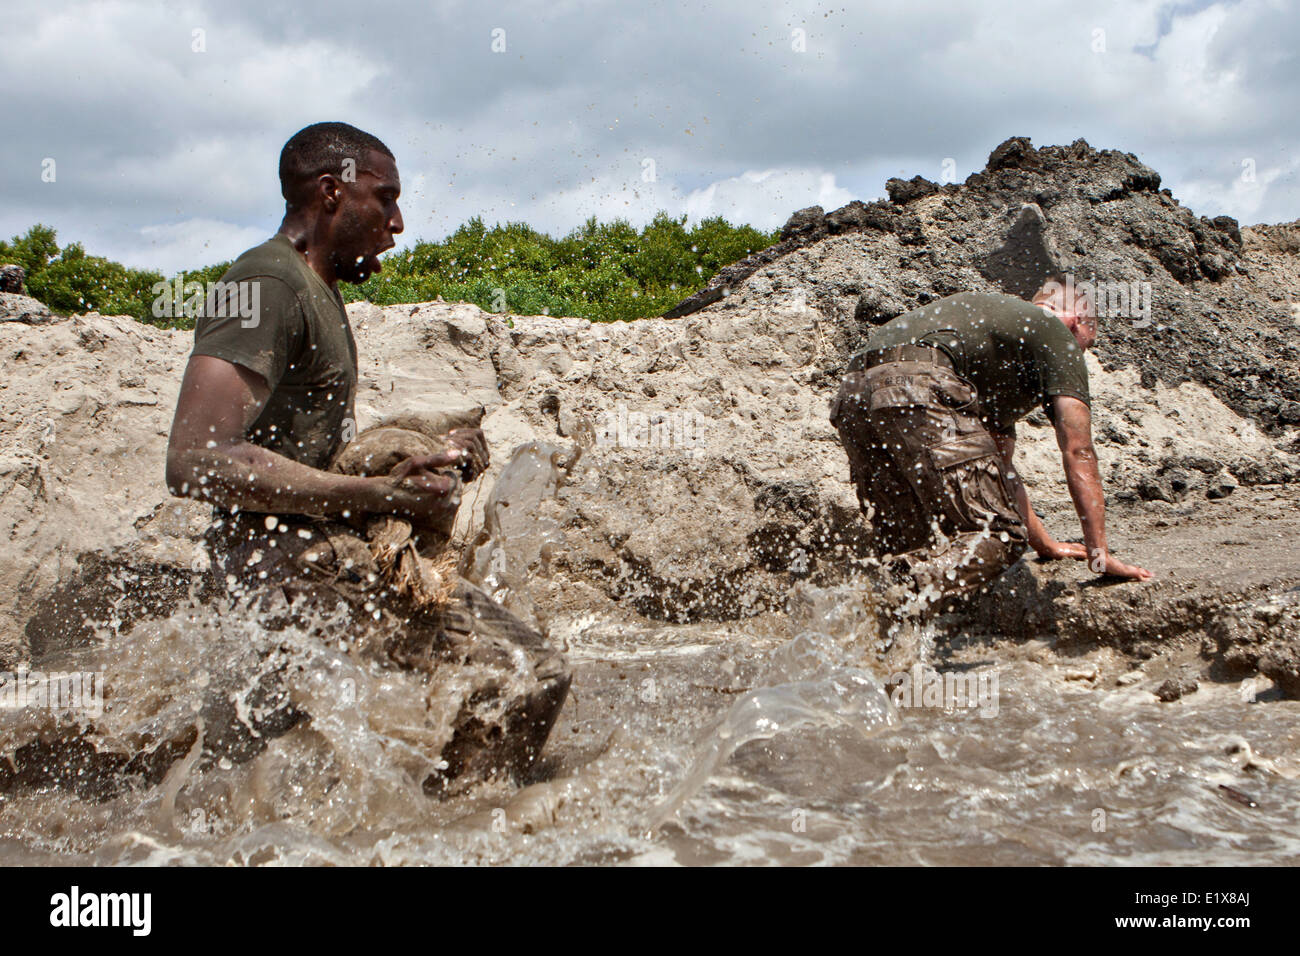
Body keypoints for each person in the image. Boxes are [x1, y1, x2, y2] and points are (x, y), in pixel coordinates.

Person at [830, 280, 1152, 602]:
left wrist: (1045, 545)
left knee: (911, 542)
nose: (1079, 354)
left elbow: (1001, 472)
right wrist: (1099, 555)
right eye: (1085, 345)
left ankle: (861, 609)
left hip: (852, 391)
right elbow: (1078, 448)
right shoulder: (1054, 332)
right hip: (917, 380)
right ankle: (886, 597)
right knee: (1000, 535)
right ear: (1076, 322)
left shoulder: (997, 343)